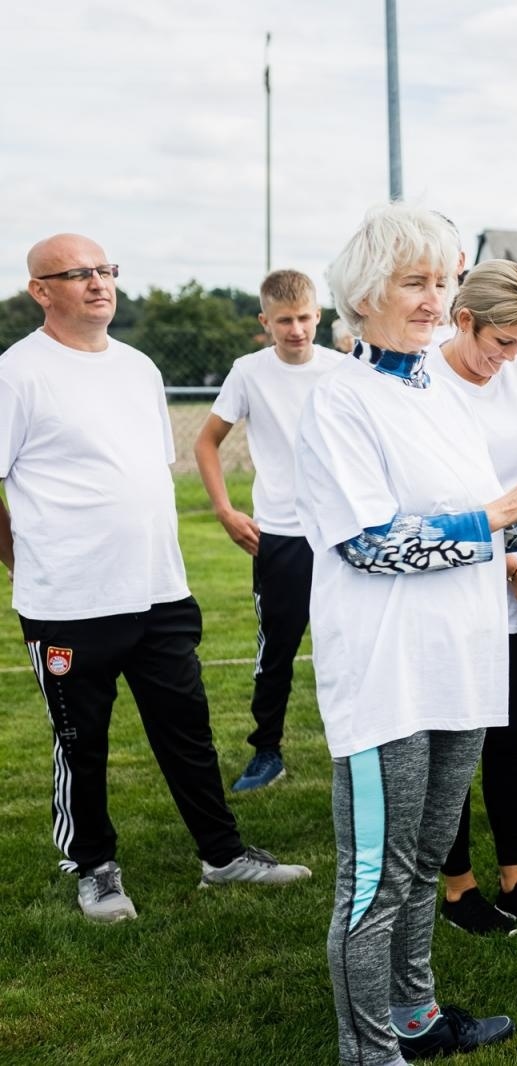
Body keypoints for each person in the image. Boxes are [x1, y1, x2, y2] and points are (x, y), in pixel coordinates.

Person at [298, 203, 517, 1062]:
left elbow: (470, 528)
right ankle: (370, 1049)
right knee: (373, 881)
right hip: (389, 676)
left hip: (463, 663)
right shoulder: (339, 398)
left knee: (424, 861)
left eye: (442, 281)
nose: (434, 299)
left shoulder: (434, 390)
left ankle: (415, 1018)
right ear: (363, 292)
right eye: (414, 282)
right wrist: (496, 512)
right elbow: (372, 544)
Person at [0, 234, 312, 925]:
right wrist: (24, 562)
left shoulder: (139, 367)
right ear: (41, 290)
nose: (98, 283)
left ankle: (223, 855)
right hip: (68, 603)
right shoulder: (18, 372)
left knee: (188, 730)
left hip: (159, 592)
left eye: (106, 270)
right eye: (78, 274)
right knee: (80, 743)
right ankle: (95, 869)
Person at [432, 260, 517, 936]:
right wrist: (510, 563)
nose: (511, 358)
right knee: (457, 739)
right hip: (454, 590)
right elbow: (437, 506)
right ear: (465, 321)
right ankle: (458, 890)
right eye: (501, 343)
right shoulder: (424, 384)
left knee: (511, 738)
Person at [194, 269, 343, 792]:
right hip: (279, 535)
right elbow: (207, 443)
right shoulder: (248, 372)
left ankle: (355, 749)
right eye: (284, 320)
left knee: (349, 643)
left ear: (318, 315)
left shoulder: (345, 371)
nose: (296, 329)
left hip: (341, 533)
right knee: (276, 648)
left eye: (304, 318)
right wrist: (225, 510)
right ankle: (266, 752)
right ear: (265, 322)